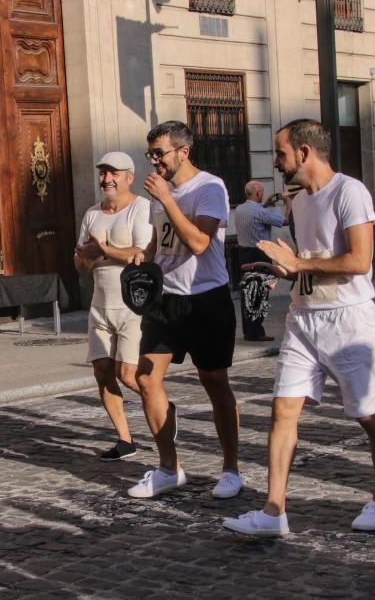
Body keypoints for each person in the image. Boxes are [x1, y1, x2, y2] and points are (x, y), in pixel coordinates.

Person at [224, 119, 375, 536]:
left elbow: (359, 262)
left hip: (350, 320)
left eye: (281, 153)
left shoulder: (350, 192)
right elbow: (312, 262)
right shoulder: (299, 202)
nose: (277, 162)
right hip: (303, 318)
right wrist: (285, 271)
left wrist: (301, 263)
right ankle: (273, 512)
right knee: (283, 409)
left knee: (370, 415)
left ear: (303, 152)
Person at [126, 120, 241, 500]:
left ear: (183, 151)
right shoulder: (161, 194)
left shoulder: (210, 188)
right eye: (151, 154)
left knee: (214, 383)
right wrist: (146, 255)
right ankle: (168, 468)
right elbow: (164, 237)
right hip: (167, 298)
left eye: (160, 153)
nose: (154, 161)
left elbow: (198, 242)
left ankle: (230, 469)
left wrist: (169, 200)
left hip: (206, 296)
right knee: (146, 379)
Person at [74, 151, 150, 461]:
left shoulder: (141, 207)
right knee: (102, 371)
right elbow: (80, 264)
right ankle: (125, 440)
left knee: (128, 375)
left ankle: (161, 407)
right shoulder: (92, 214)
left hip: (132, 305)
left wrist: (103, 249)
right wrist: (85, 256)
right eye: (103, 173)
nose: (106, 179)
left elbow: (141, 253)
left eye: (113, 173)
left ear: (128, 177)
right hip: (99, 304)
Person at [234, 180, 292, 342]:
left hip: (243, 254)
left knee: (247, 293)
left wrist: (265, 204)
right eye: (262, 192)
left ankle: (249, 331)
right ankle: (257, 332)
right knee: (260, 294)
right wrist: (288, 203)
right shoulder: (259, 212)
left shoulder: (240, 209)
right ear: (258, 193)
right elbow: (285, 221)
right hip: (259, 255)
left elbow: (256, 215)